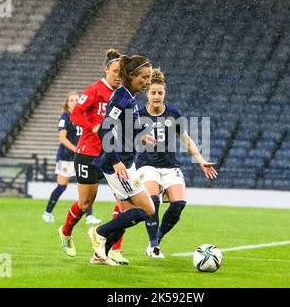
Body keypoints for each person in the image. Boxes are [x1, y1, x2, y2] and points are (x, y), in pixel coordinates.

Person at [135, 68, 218, 258]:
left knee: (178, 204)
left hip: (170, 166)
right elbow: (130, 139)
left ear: (165, 93)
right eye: (153, 92)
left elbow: (186, 140)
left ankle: (158, 237)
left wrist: (201, 161)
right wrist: (141, 139)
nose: (157, 96)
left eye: (160, 93)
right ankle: (154, 246)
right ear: (147, 93)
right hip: (147, 165)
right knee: (153, 201)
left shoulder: (173, 114)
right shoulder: (138, 115)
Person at [58, 49, 129, 265]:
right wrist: (94, 126)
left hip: (112, 156)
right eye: (115, 71)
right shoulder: (94, 90)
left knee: (125, 203)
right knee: (86, 203)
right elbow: (76, 114)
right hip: (88, 153)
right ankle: (66, 230)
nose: (118, 76)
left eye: (122, 73)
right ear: (106, 70)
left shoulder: (123, 94)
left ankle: (112, 250)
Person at [87, 55, 157, 264]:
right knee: (147, 209)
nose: (147, 82)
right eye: (144, 78)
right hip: (119, 165)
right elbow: (105, 129)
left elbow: (124, 128)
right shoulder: (121, 97)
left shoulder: (129, 97)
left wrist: (141, 136)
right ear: (131, 75)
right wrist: (116, 160)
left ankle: (101, 255)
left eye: (149, 78)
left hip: (124, 163)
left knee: (126, 216)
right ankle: (98, 232)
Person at [42, 92, 101, 225]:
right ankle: (47, 213)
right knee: (62, 186)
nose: (75, 102)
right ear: (67, 103)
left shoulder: (84, 116)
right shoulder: (65, 117)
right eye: (72, 100)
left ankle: (90, 216)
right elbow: (62, 137)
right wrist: (75, 149)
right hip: (66, 157)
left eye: (77, 100)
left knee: (86, 185)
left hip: (81, 157)